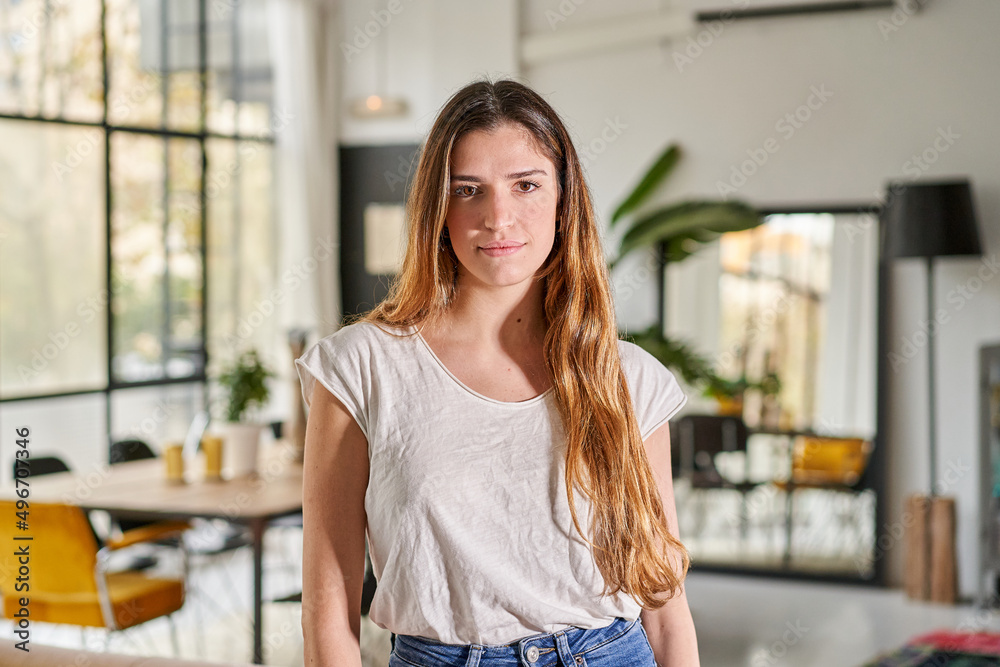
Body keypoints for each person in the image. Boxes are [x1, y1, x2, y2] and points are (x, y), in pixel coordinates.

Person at [295, 78, 700, 666]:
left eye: (526, 185)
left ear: (564, 202)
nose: (498, 217)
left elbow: (664, 605)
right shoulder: (359, 369)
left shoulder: (627, 378)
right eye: (468, 190)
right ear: (438, 208)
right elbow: (327, 611)